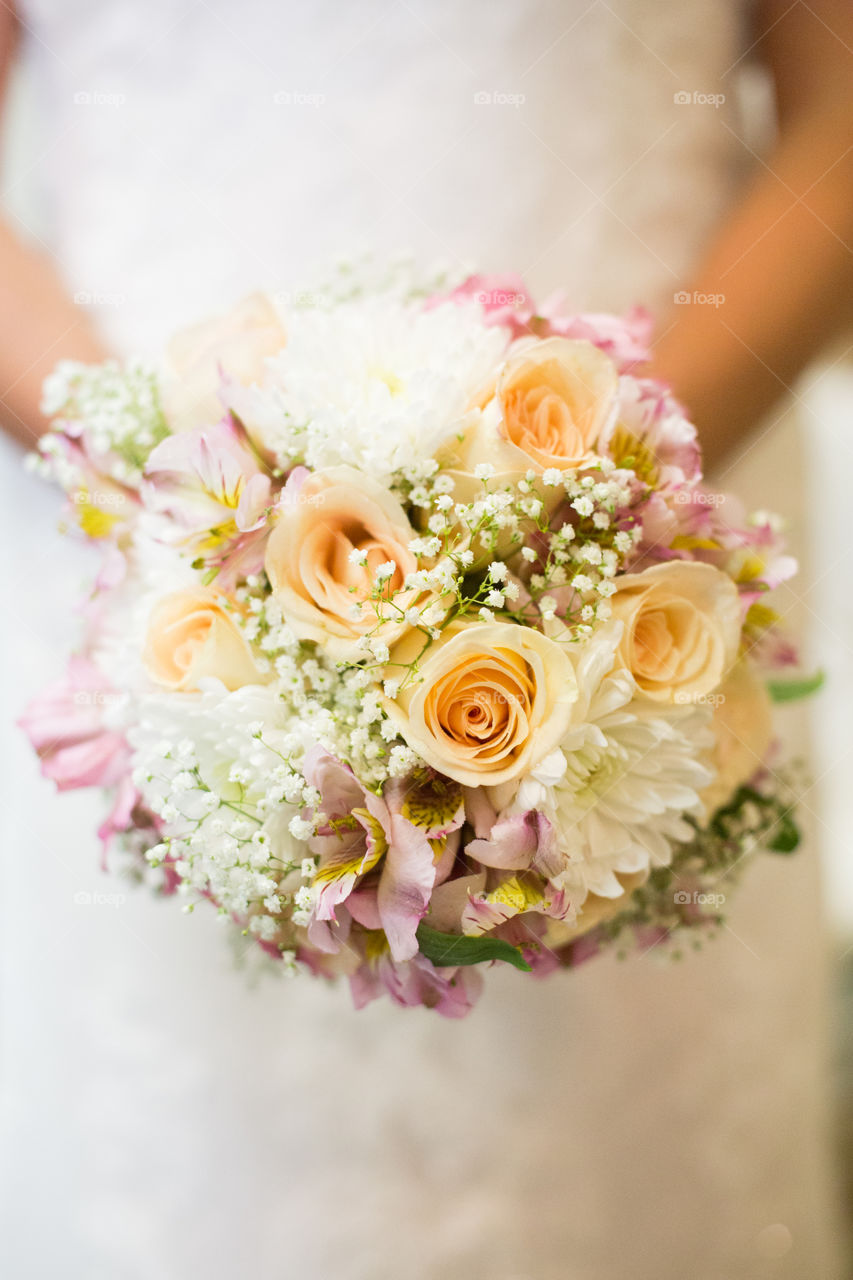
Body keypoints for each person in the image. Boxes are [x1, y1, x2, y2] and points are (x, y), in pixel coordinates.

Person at [1, 2, 849, 1276]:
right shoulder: (162, 506)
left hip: (658, 482)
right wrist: (168, 487)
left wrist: (611, 498)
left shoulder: (622, 510)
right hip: (145, 534)